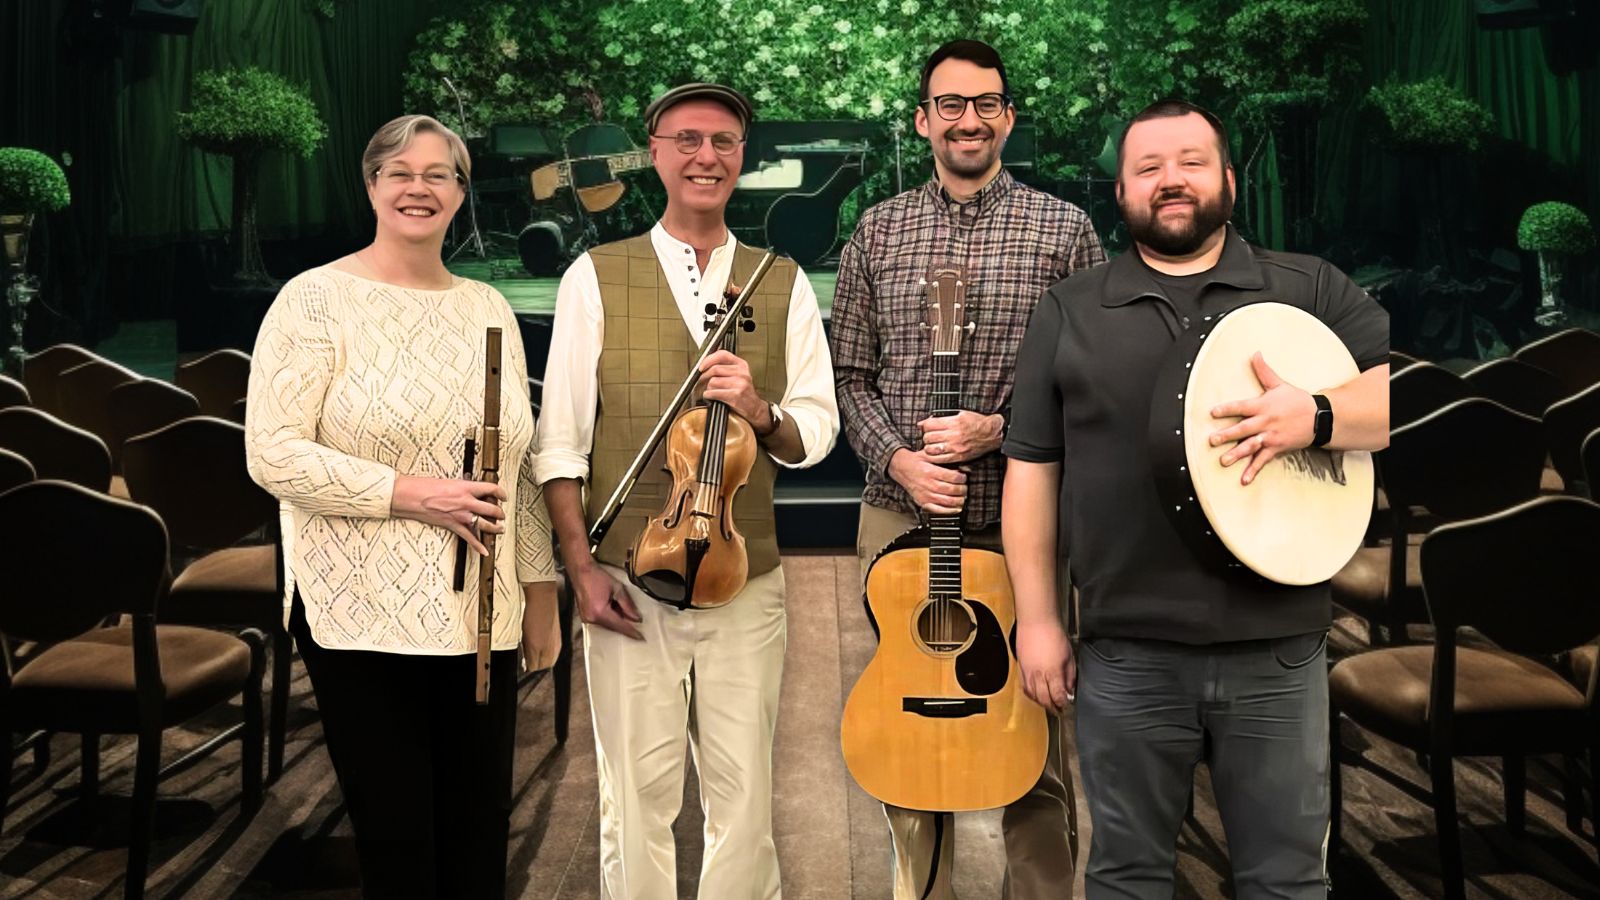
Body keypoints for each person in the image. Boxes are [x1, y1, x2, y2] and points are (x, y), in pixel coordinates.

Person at [1002, 99, 1390, 899]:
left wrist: (1318, 416)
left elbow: (1404, 400)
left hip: (1278, 647)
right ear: (1120, 191)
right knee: (1128, 877)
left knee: (1286, 880)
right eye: (1148, 168)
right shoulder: (1070, 308)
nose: (1170, 181)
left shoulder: (1307, 287)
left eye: (1190, 162)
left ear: (1229, 180)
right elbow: (1033, 471)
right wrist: (1038, 622)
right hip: (1125, 651)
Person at [535, 82, 839, 899]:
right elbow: (560, 443)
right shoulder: (594, 276)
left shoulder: (783, 281)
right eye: (688, 139)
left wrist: (761, 410)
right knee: (635, 794)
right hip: (627, 578)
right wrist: (580, 568)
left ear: (743, 157)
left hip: (748, 579)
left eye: (725, 142)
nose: (707, 156)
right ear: (658, 154)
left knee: (745, 794)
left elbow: (817, 432)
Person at [244, 114, 560, 900]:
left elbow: (514, 470)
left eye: (439, 174)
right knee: (399, 846)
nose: (419, 188)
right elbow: (273, 454)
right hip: (360, 612)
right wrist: (415, 496)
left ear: (460, 193)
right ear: (372, 185)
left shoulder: (487, 305)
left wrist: (542, 594)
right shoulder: (312, 301)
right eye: (400, 172)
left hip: (481, 618)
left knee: (479, 835)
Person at [830, 39, 1105, 900]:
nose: (969, 120)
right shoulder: (877, 229)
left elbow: (1094, 377)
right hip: (899, 519)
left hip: (1018, 520)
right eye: (951, 104)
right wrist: (901, 461)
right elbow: (850, 378)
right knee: (908, 736)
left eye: (986, 103)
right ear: (923, 120)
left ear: (1009, 117)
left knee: (1031, 742)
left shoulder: (1064, 231)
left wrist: (1002, 429)